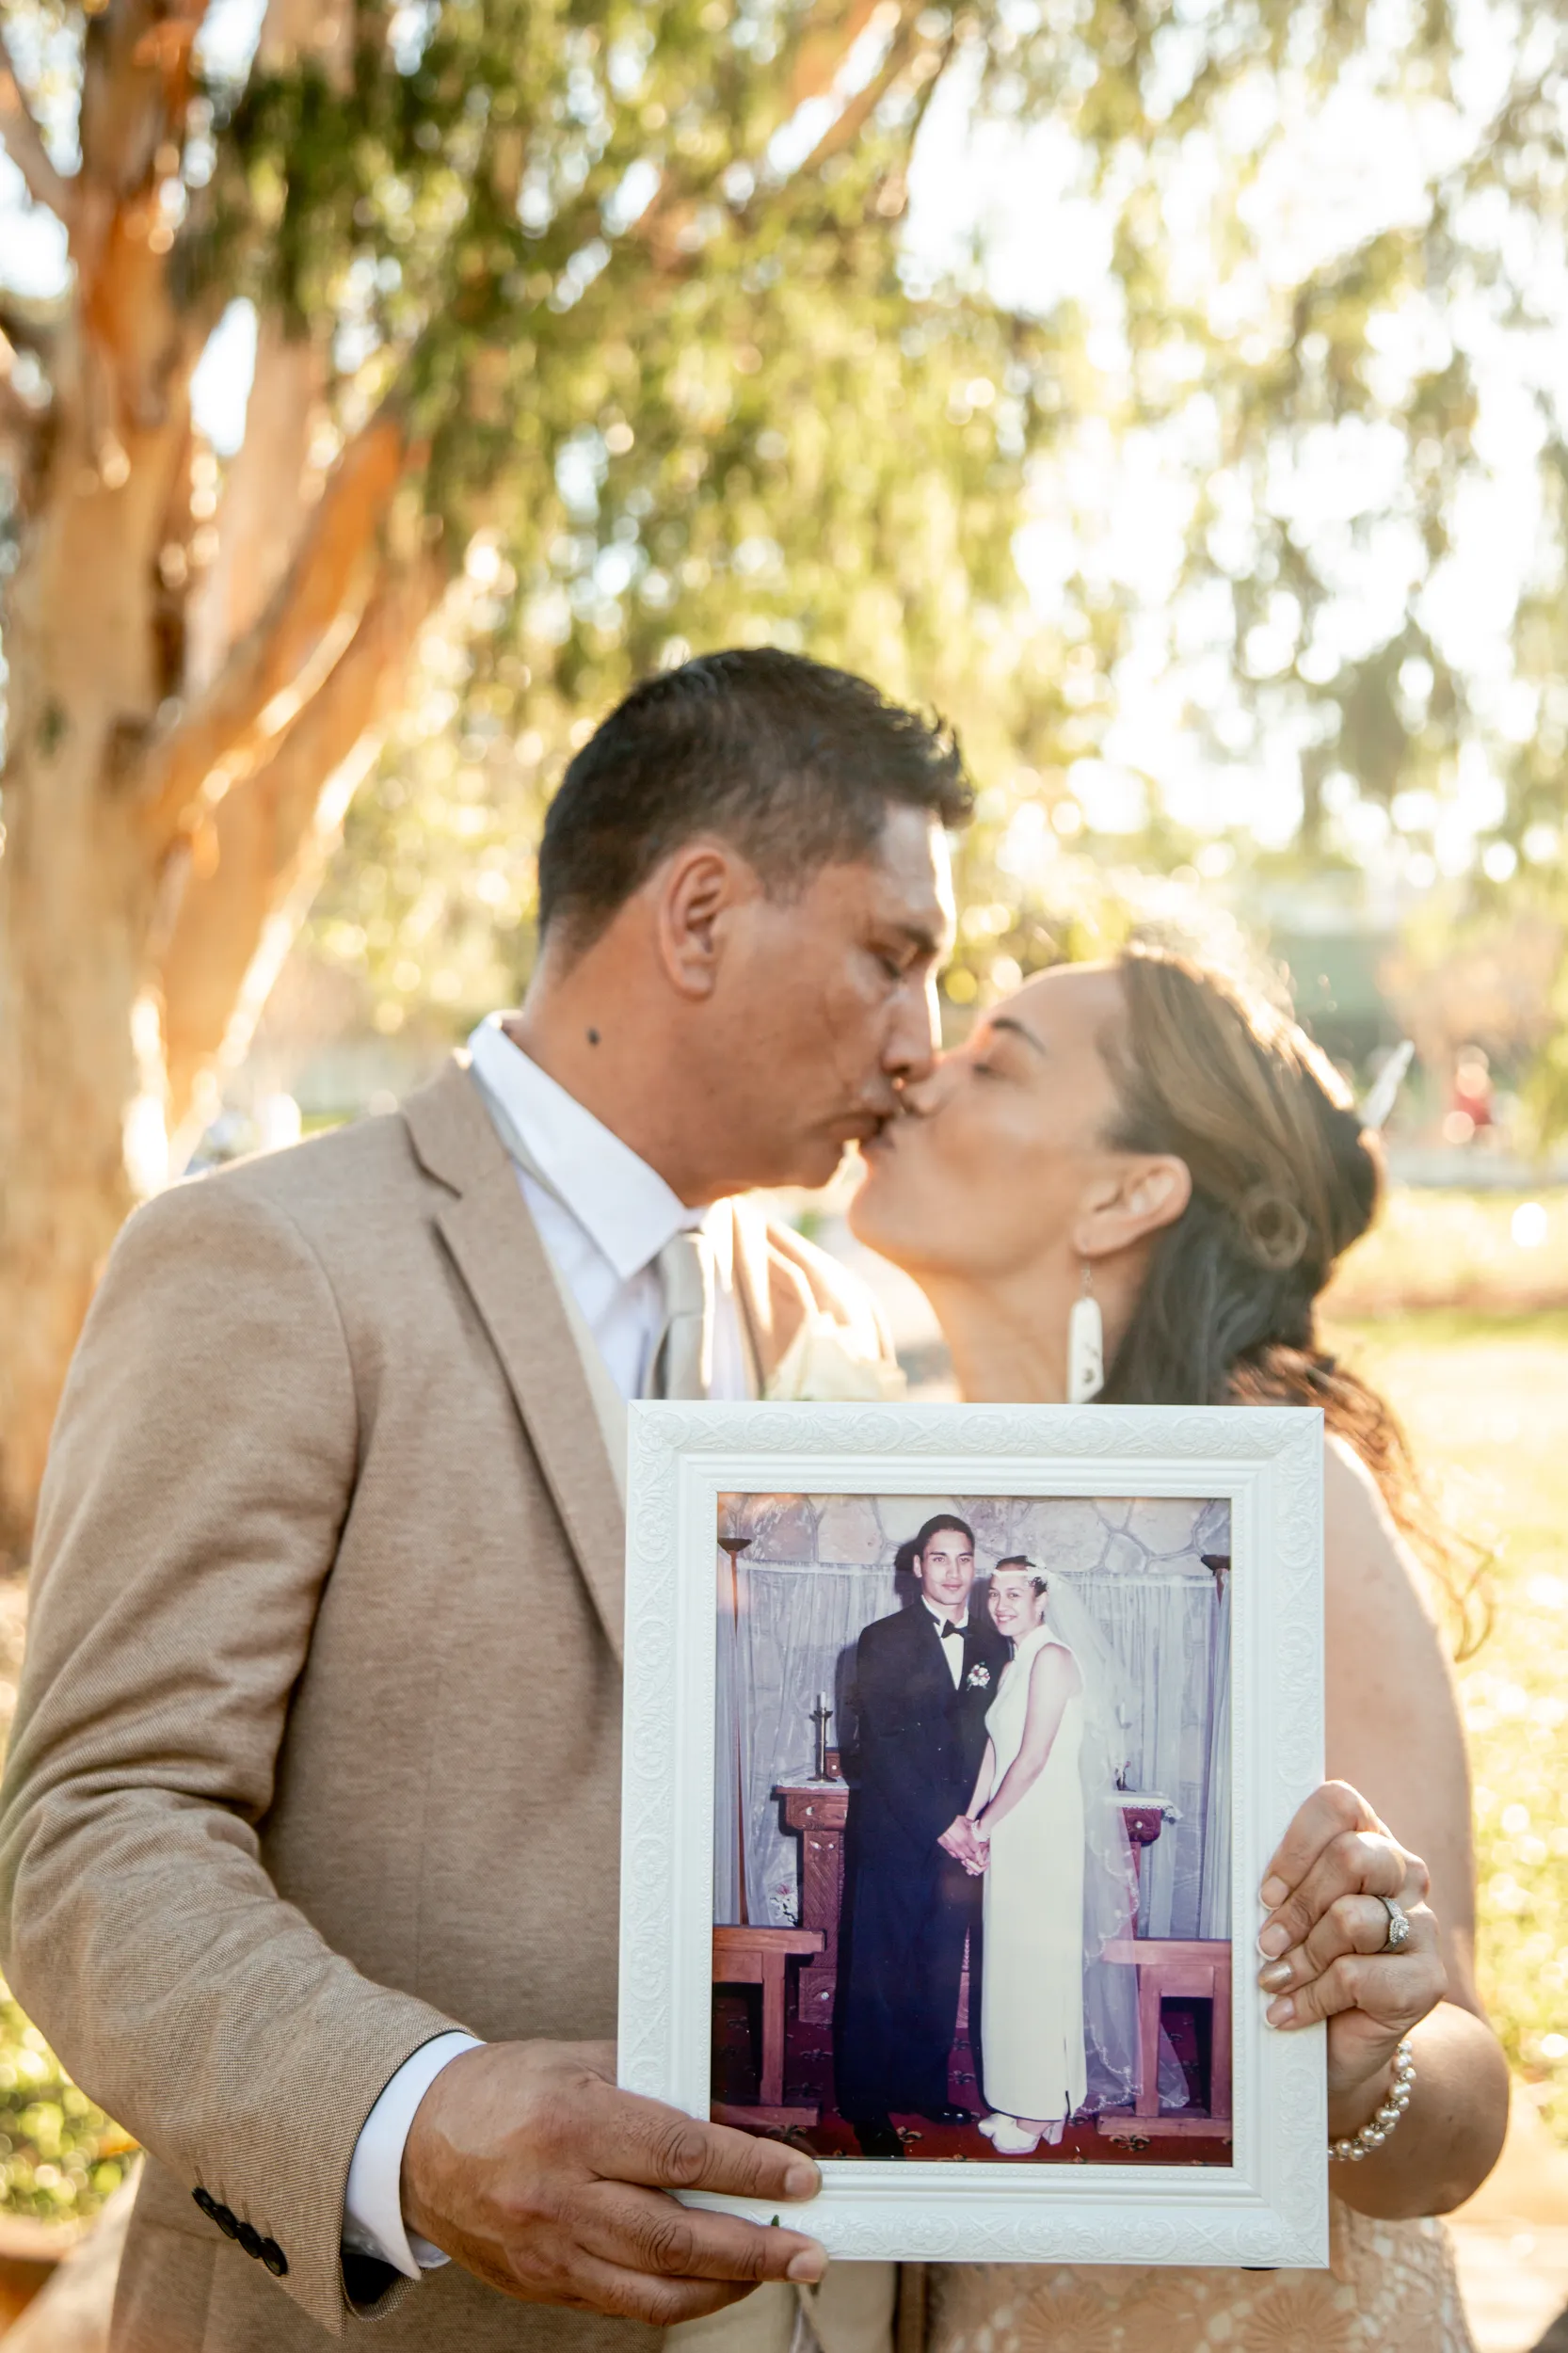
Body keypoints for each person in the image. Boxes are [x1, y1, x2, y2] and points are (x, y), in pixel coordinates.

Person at [0, 648, 970, 2353]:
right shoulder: (271, 1260)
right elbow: (95, 1833)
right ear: (697, 917)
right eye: (894, 956)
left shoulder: (822, 1323)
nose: (924, 1040)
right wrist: (411, 2122)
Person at [849, 944, 1510, 2350]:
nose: (919, 1063)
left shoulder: (1292, 1510)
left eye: (998, 1051)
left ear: (1127, 1193)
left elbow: (1459, 2087)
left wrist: (1351, 2078)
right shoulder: (882, 1494)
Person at [835, 1516, 1008, 2156]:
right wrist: (943, 1824)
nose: (954, 1572)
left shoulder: (995, 1642)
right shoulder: (881, 1639)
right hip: (899, 1833)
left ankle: (923, 2086)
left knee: (939, 1967)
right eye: (940, 1559)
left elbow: (997, 1741)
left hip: (964, 1836)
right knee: (878, 1971)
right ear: (917, 1568)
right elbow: (880, 1746)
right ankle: (866, 2103)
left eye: (964, 1559)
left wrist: (977, 1824)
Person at [963, 1563, 1086, 2153]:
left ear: (1041, 1600)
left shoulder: (1053, 1658)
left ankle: (1041, 2112)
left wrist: (989, 1822)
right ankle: (1018, 2098)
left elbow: (1033, 1758)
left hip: (1042, 1828)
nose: (1000, 1603)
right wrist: (970, 1821)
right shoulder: (1013, 1664)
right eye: (994, 1594)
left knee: (1036, 1965)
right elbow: (996, 1747)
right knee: (1008, 1963)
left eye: (1014, 1594)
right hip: (1011, 1823)